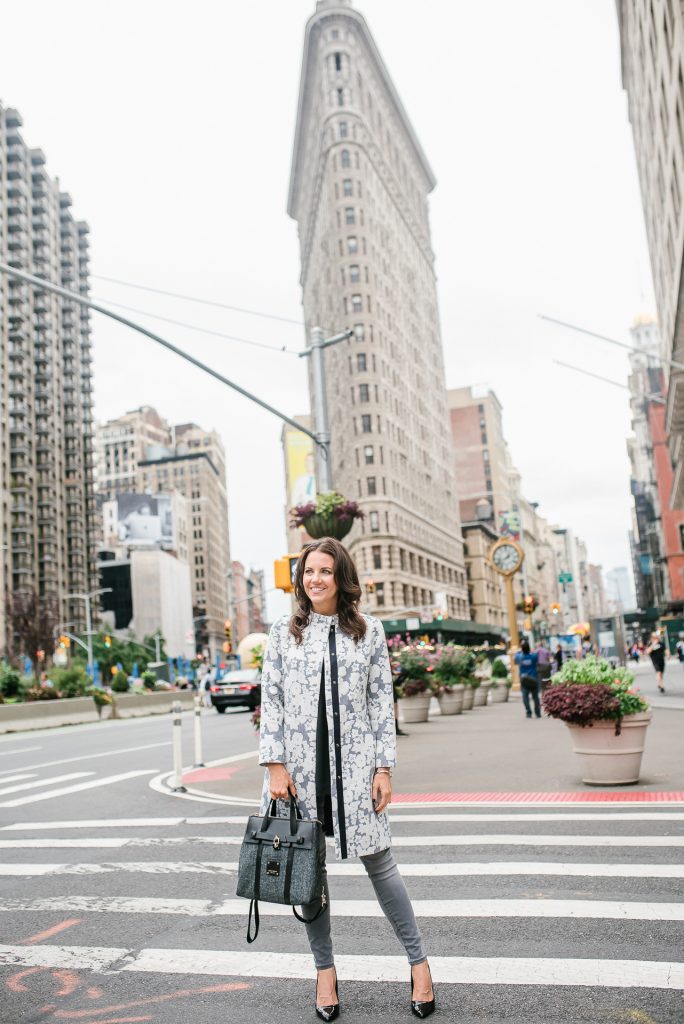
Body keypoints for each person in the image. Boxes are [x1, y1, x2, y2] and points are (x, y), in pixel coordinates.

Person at [260, 537, 435, 1021]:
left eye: (324, 571)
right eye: (308, 571)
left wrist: (384, 767)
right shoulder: (282, 631)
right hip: (298, 773)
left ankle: (419, 964)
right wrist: (274, 764)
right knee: (309, 878)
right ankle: (325, 973)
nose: (315, 579)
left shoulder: (369, 632)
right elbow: (270, 700)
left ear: (341, 578)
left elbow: (382, 703)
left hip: (357, 770)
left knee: (383, 868)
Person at [515, 639, 541, 718]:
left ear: (522, 648)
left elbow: (515, 659)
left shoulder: (519, 657)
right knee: (535, 697)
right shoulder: (533, 656)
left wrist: (520, 651)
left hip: (524, 680)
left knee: (525, 697)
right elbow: (537, 659)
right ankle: (537, 712)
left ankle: (528, 712)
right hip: (533, 679)